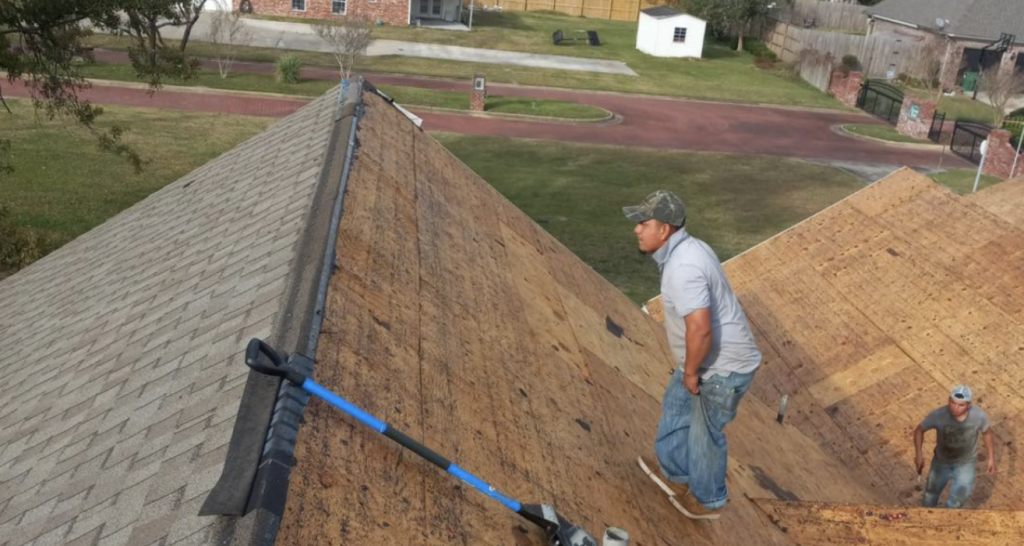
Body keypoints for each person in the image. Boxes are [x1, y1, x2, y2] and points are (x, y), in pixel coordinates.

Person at [624, 190, 762, 520]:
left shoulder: (683, 267)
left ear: (665, 229)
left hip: (722, 370)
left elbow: (699, 329)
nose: (636, 229)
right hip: (706, 362)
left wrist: (690, 372)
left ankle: (707, 501)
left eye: (644, 223)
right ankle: (675, 474)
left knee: (704, 435)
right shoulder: (690, 249)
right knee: (676, 406)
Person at [914, 385, 996, 509]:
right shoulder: (938, 415)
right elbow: (919, 430)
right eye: (952, 403)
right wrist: (919, 454)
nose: (955, 408)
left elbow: (987, 433)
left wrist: (991, 458)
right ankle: (927, 517)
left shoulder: (978, 416)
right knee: (931, 494)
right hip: (941, 462)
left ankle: (948, 516)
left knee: (960, 497)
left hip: (966, 463)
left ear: (968, 405)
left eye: (961, 405)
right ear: (948, 400)